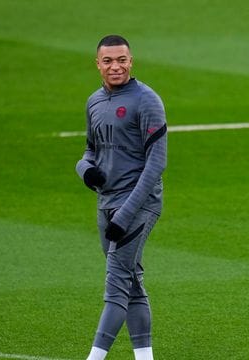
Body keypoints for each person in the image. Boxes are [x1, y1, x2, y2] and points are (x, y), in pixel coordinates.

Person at [75, 34, 167, 360]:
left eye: (122, 60)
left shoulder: (147, 101)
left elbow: (157, 163)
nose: (116, 66)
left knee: (115, 284)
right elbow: (90, 150)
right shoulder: (94, 102)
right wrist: (85, 169)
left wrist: (125, 216)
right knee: (131, 283)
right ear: (97, 64)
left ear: (132, 61)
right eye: (108, 61)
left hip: (138, 205)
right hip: (106, 202)